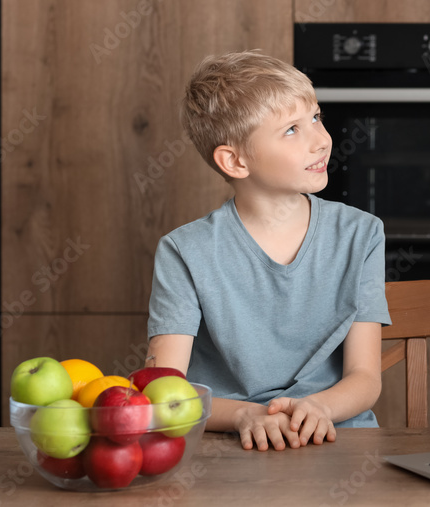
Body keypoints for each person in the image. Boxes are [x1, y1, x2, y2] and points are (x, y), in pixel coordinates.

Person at [146, 51, 391, 450]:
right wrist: (245, 414)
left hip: (336, 438)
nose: (321, 139)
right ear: (235, 160)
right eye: (292, 130)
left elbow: (365, 378)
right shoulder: (183, 251)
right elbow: (166, 391)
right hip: (230, 444)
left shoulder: (361, 234)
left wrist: (320, 408)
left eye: (315, 117)